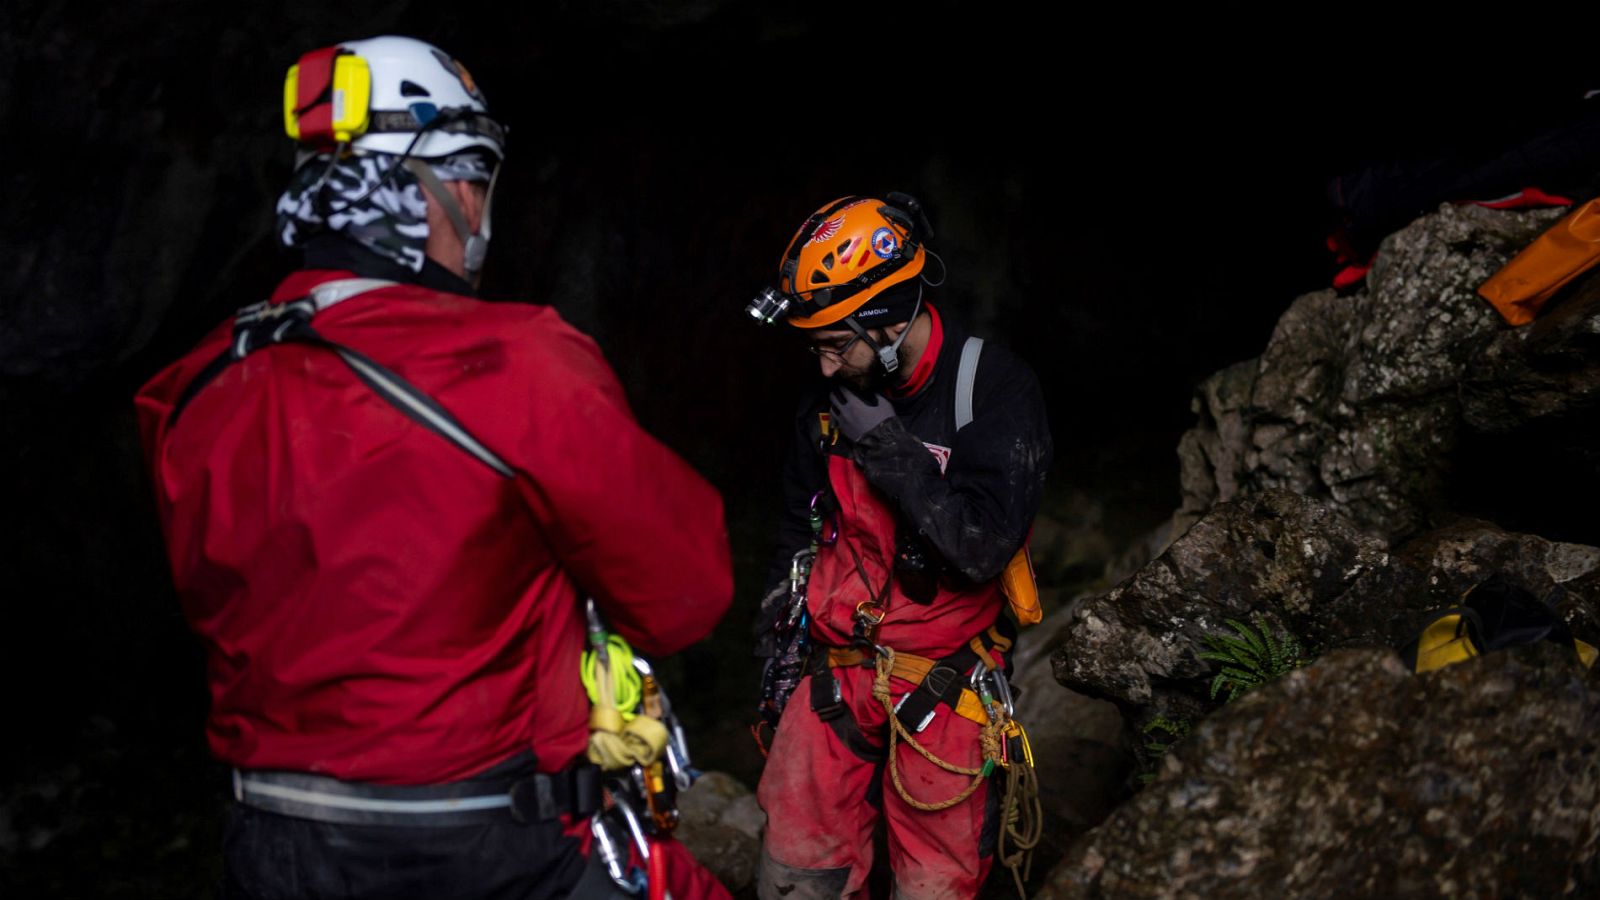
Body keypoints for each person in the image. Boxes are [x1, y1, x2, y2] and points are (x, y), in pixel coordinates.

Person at [133, 35, 732, 899]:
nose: (481, 211)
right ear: (446, 188)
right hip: (491, 850)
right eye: (477, 183)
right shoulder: (517, 360)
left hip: (272, 849)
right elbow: (687, 592)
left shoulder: (189, 389)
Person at [746, 195, 1053, 898]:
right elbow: (799, 530)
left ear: (888, 319)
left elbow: (978, 549)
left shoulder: (994, 391)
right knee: (794, 871)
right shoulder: (828, 400)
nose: (824, 369)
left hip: (943, 685)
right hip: (835, 675)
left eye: (835, 345)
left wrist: (888, 447)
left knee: (934, 885)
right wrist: (775, 655)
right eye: (815, 348)